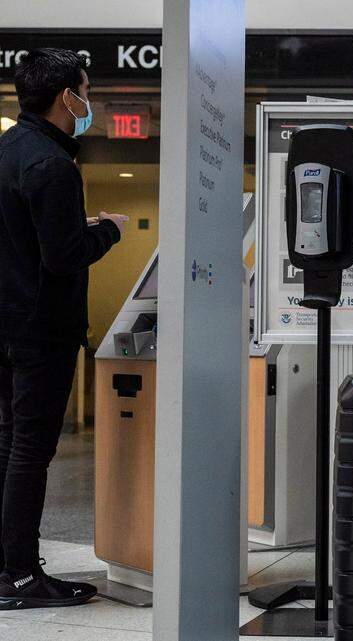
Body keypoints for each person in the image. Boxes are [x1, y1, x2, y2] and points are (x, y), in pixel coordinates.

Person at [0, 48, 127, 609]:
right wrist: (110, 232)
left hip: (6, 325)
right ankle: (24, 576)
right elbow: (62, 256)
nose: (88, 100)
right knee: (30, 451)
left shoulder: (6, 150)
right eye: (84, 88)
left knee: (9, 446)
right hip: (40, 333)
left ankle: (7, 569)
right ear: (65, 98)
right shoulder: (52, 165)